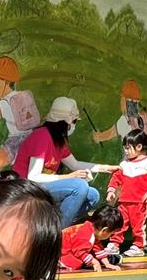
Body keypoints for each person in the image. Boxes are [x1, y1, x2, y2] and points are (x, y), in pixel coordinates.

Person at [12, 96, 118, 228]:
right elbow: (34, 177)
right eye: (74, 121)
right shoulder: (42, 136)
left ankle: (52, 224)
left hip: (41, 189)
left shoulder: (58, 141)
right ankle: (57, 233)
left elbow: (75, 164)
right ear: (64, 121)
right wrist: (69, 176)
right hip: (27, 189)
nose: (74, 125)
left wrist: (106, 168)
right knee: (79, 186)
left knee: (93, 195)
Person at [105, 130, 147, 258]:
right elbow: (116, 178)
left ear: (139, 147)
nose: (126, 151)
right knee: (119, 223)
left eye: (128, 148)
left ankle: (138, 246)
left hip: (140, 203)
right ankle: (114, 244)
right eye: (125, 148)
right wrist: (111, 190)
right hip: (124, 202)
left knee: (138, 226)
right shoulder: (124, 164)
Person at [58, 204, 124, 273]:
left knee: (86, 258)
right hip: (60, 252)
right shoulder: (85, 233)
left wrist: (107, 264)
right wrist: (94, 261)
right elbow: (79, 252)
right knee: (76, 263)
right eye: (111, 234)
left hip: (65, 250)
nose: (110, 236)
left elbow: (98, 250)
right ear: (104, 230)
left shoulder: (92, 231)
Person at [92, 79, 147, 148]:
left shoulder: (124, 121)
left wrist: (98, 137)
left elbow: (111, 133)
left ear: (124, 100)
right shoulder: (144, 116)